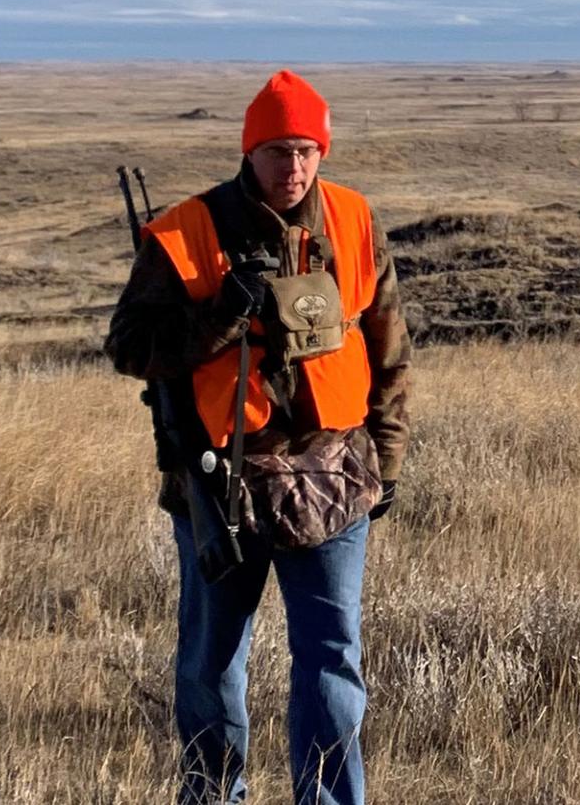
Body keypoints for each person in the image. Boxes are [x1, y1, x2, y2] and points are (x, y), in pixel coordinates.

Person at [105, 69, 411, 805]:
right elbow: (128, 346)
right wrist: (220, 317)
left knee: (332, 661)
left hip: (332, 480)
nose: (293, 167)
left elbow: (389, 348)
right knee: (212, 663)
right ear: (250, 151)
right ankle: (213, 796)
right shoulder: (186, 232)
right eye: (277, 150)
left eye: (306, 149)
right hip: (221, 483)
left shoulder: (356, 220)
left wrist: (389, 458)